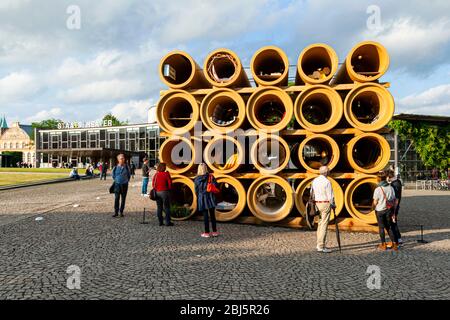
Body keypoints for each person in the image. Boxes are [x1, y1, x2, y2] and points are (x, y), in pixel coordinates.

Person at [311, 165, 335, 253]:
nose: (329, 172)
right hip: (325, 204)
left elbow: (312, 193)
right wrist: (333, 204)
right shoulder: (327, 182)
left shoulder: (315, 180)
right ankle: (321, 246)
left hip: (317, 203)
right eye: (329, 171)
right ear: (326, 172)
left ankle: (318, 244)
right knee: (324, 225)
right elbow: (330, 196)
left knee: (320, 224)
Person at [372, 171, 398, 251]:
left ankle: (383, 245)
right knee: (389, 227)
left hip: (380, 211)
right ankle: (394, 244)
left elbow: (375, 202)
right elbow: (395, 200)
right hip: (389, 210)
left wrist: (372, 207)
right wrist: (394, 211)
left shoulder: (378, 189)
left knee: (381, 227)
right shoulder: (391, 188)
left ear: (379, 179)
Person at [194, 163, 219, 238]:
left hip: (202, 197)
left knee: (205, 216)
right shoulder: (211, 176)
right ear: (206, 168)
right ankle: (214, 232)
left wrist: (198, 197)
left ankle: (206, 233)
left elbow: (196, 190)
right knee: (212, 215)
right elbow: (216, 185)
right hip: (211, 197)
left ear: (199, 169)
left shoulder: (197, 179)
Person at [388, 170, 403, 245]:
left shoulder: (395, 184)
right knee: (393, 223)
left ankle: (398, 241)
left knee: (393, 223)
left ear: (389, 177)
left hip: (394, 206)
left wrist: (394, 210)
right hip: (395, 206)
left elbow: (396, 199)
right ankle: (398, 240)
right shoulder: (397, 181)